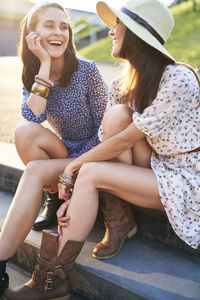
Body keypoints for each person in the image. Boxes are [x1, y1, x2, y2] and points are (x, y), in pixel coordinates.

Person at [1, 0, 200, 299]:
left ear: (135, 33)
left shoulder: (178, 79)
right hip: (134, 161)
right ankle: (7, 264)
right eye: (49, 26)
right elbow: (35, 118)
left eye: (117, 25)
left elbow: (117, 138)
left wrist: (72, 171)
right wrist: (74, 178)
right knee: (34, 163)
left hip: (182, 176)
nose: (110, 31)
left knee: (110, 130)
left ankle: (52, 277)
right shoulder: (124, 81)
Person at [14, 1, 108, 232]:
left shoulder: (87, 70)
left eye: (64, 27)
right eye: (49, 26)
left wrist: (80, 162)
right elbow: (33, 117)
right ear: (32, 34)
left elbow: (107, 125)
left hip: (96, 148)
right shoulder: (32, 72)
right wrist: (44, 63)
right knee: (24, 132)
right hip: (64, 149)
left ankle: (80, 195)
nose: (58, 32)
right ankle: (54, 197)